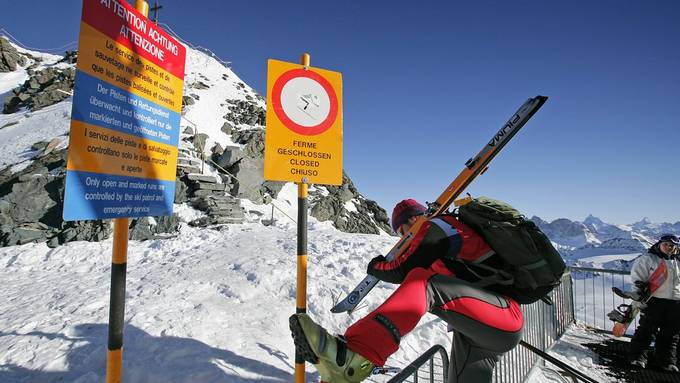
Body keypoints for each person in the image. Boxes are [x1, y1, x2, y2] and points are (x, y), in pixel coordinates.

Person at [290, 199, 524, 383]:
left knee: (424, 284)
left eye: (403, 232)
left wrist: (375, 266)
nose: (404, 239)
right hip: (483, 330)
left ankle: (357, 354)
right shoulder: (443, 238)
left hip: (503, 316)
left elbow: (403, 270)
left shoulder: (438, 225)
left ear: (412, 220)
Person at [628, 233, 680, 371]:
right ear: (659, 244)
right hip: (654, 300)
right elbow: (637, 277)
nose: (669, 247)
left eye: (672, 246)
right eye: (666, 245)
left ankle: (667, 361)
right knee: (647, 330)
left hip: (675, 302)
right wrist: (639, 291)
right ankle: (638, 357)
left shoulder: (678, 261)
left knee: (671, 333)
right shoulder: (648, 259)